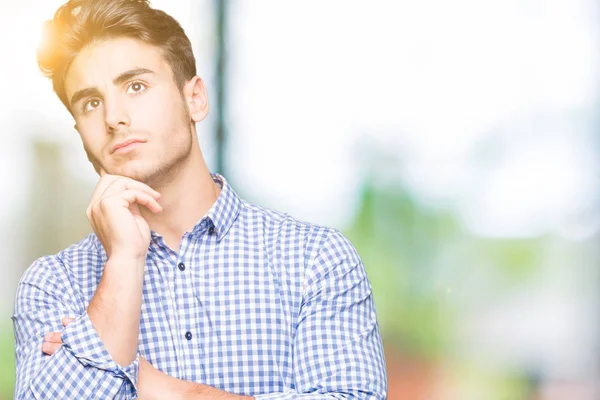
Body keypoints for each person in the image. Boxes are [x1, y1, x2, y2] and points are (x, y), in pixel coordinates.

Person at [12, 0, 387, 398]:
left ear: (195, 99)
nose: (113, 118)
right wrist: (123, 262)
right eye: (91, 103)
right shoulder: (52, 285)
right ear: (80, 133)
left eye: (135, 86)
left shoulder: (315, 260)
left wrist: (150, 384)